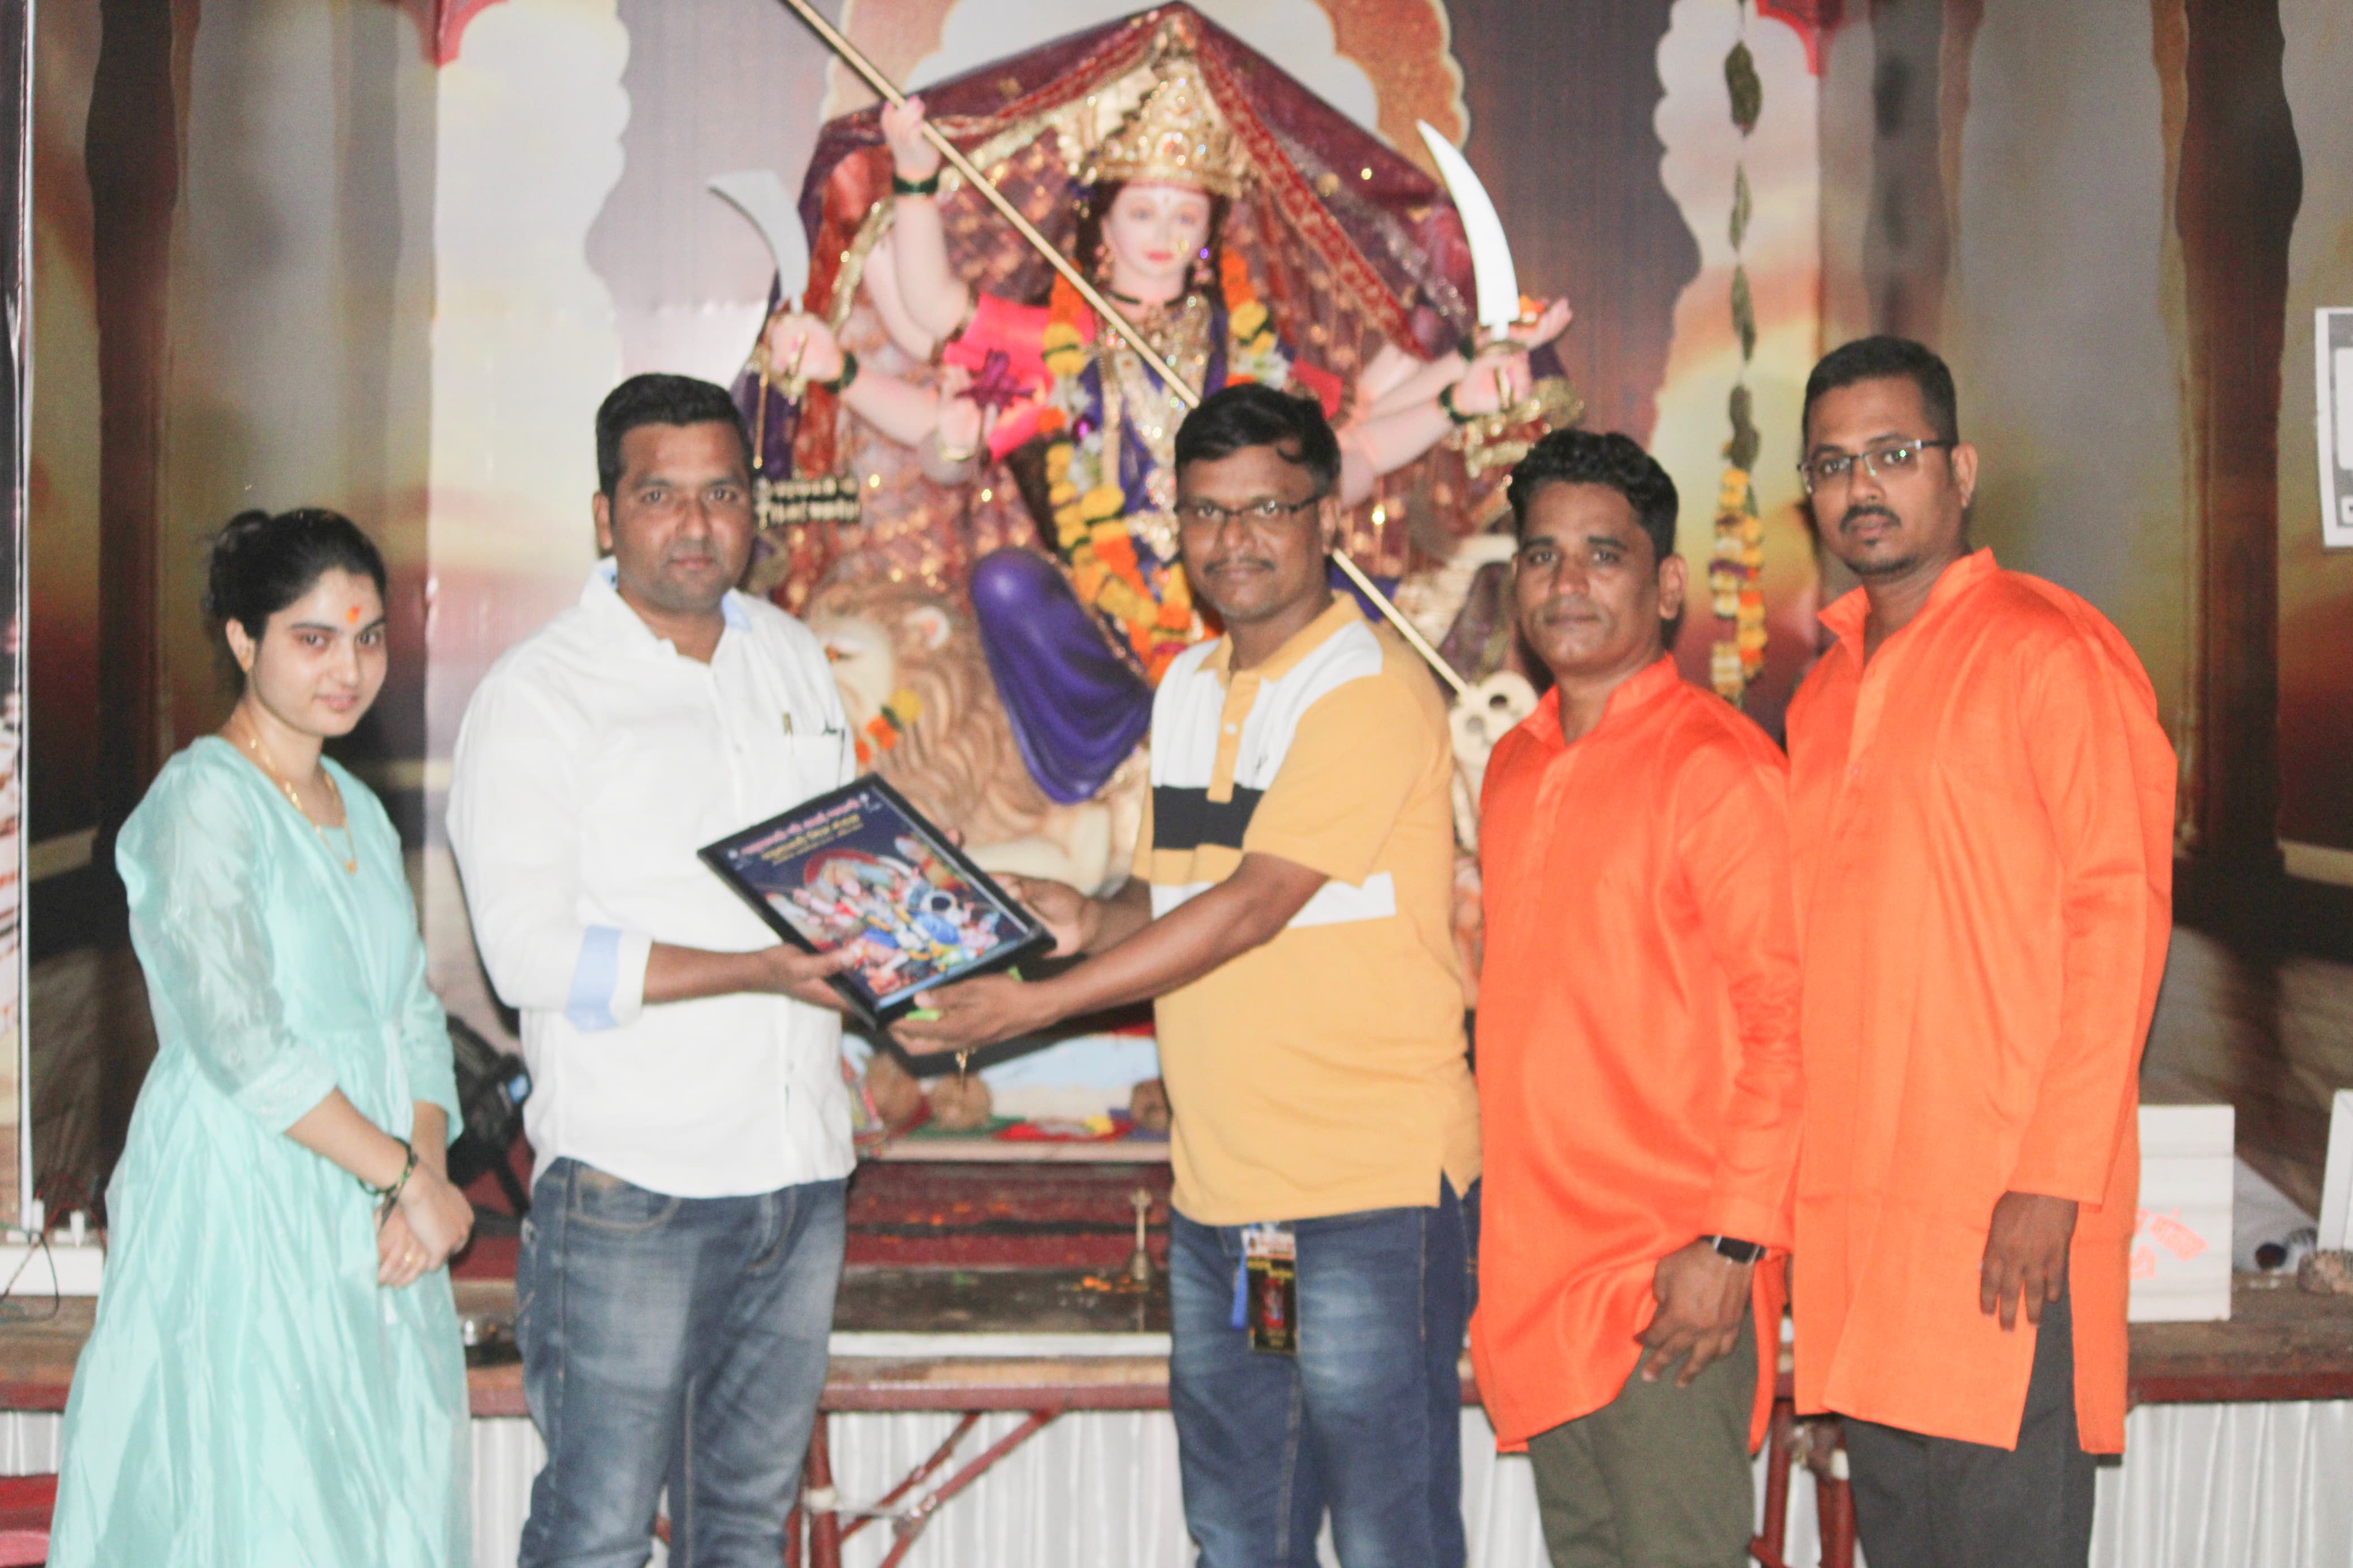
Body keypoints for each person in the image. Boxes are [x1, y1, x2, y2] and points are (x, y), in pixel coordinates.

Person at [899, 383, 1480, 1567]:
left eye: (1268, 507)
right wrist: (1079, 920)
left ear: (1328, 518)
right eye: (1209, 512)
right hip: (1238, 1211)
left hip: (1367, 1201)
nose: (1235, 539)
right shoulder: (1188, 689)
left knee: (1390, 1539)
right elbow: (1172, 904)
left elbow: (1253, 907)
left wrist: (1040, 1004)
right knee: (1241, 1530)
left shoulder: (1366, 689)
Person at [756, 43, 1570, 806]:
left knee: (1340, 591)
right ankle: (1132, 747)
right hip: (1110, 625)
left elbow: (1353, 447)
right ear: (1103, 225)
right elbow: (936, 313)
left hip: (1241, 600)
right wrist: (913, 183)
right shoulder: (1061, 341)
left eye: (1186, 217)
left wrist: (1465, 380)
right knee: (1005, 584)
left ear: (1210, 232)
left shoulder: (1244, 348)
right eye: (1143, 213)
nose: (1164, 237)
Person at [447, 374, 860, 1567]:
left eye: (721, 494)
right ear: (604, 514)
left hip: (799, 1174)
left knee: (745, 1532)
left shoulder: (791, 656)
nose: (695, 525)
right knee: (597, 1533)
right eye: (659, 495)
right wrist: (758, 972)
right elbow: (526, 953)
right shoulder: (539, 693)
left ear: (753, 507)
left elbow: (838, 874)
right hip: (634, 1186)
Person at [1784, 336, 2174, 1566]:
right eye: (1833, 463)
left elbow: (2119, 919)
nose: (1862, 486)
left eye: (1893, 453)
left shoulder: (2048, 650)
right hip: (1866, 1240)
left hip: (2004, 1229)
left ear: (1959, 472)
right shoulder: (1821, 699)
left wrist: (2053, 1179)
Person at [49, 508, 476, 1567]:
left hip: (369, 1209)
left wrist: (422, 1176)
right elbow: (242, 1040)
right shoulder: (203, 800)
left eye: (368, 636)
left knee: (377, 1502)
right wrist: (398, 1174)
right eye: (313, 638)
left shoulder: (358, 807)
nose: (349, 668)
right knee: (260, 1502)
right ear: (244, 640)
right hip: (247, 1193)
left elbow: (410, 1009)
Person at [1471, 431, 1803, 1567]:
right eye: (1541, 554)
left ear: (1666, 587)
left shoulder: (1718, 765)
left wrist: (1732, 1245)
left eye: (1602, 554)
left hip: (1671, 1288)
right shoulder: (1513, 765)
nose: (1566, 582)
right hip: (1541, 1287)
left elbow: (1787, 1024)